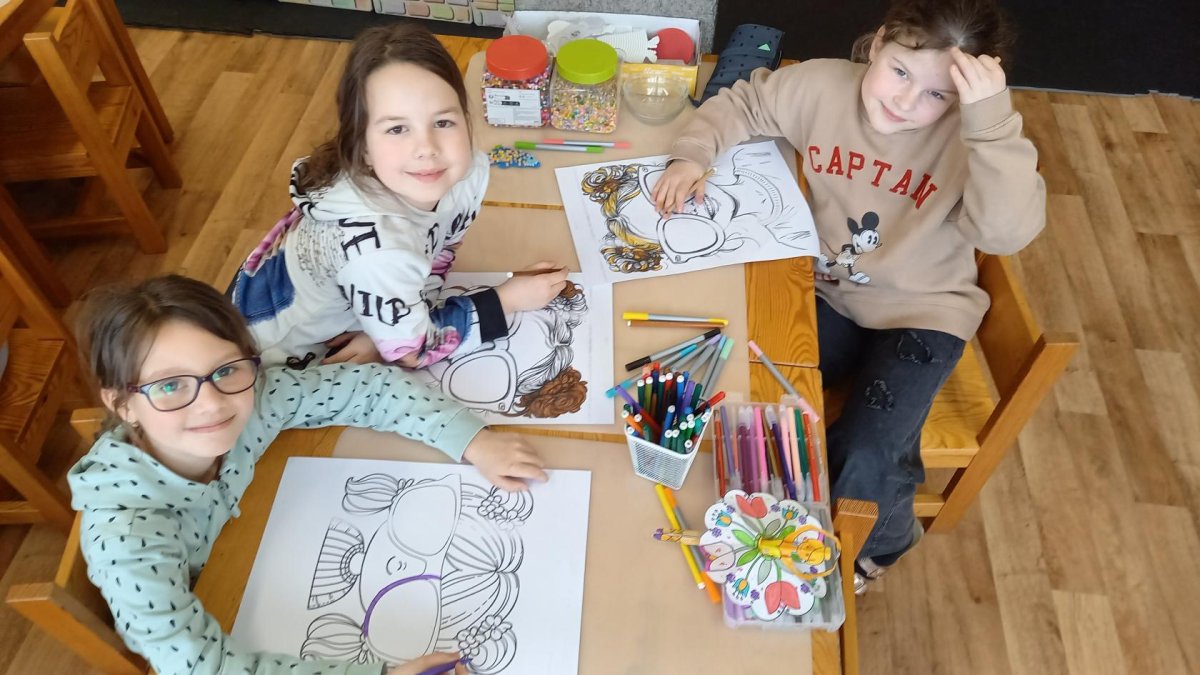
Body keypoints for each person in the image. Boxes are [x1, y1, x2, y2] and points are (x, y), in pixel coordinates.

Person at [653, 0, 1045, 591]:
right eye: (900, 72)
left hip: (926, 310)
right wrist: (692, 154)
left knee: (864, 451)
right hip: (831, 292)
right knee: (753, 389)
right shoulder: (822, 86)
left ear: (966, 95)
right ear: (878, 42)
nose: (906, 102)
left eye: (937, 94)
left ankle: (883, 543)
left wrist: (990, 124)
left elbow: (1006, 233)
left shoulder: (979, 138)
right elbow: (745, 103)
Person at [68, 274, 548, 674]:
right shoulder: (125, 536)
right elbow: (200, 667)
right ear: (122, 403)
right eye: (170, 385)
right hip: (219, 611)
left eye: (226, 369)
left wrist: (471, 439)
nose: (211, 403)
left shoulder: (255, 398)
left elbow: (366, 388)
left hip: (260, 551)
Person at [228, 23, 567, 369]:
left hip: (354, 304)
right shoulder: (380, 253)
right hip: (275, 358)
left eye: (443, 122)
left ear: (466, 120)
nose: (426, 148)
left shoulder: (466, 171)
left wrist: (390, 325)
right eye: (397, 129)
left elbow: (439, 250)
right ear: (362, 147)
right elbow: (413, 353)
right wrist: (506, 300)